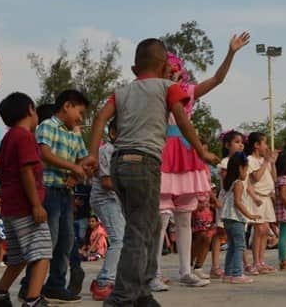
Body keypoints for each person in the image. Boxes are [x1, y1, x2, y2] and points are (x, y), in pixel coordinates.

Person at [89, 38, 218, 307]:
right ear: (164, 67)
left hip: (119, 163)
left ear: (135, 69)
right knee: (139, 231)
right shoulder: (167, 87)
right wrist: (202, 152)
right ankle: (122, 298)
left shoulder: (121, 91)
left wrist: (91, 154)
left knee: (145, 228)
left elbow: (100, 118)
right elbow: (182, 120)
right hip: (144, 163)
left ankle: (142, 294)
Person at [154, 33, 250, 289]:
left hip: (186, 153)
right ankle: (152, 272)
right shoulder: (155, 91)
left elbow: (217, 79)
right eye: (168, 69)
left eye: (176, 70)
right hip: (163, 151)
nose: (173, 73)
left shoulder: (188, 91)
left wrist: (230, 53)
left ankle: (186, 270)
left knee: (184, 215)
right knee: (161, 216)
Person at [19, 90, 94, 304]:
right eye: (80, 113)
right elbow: (44, 153)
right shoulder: (47, 126)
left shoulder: (74, 134)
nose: (81, 118)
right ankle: (29, 287)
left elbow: (83, 159)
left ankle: (55, 285)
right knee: (46, 242)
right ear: (67, 106)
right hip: (48, 191)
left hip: (65, 193)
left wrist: (79, 172)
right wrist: (73, 167)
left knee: (66, 241)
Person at [0, 92, 52, 307]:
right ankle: (33, 299)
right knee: (42, 252)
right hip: (26, 207)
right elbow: (26, 172)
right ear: (31, 109)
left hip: (10, 208)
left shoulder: (9, 137)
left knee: (19, 256)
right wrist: (36, 205)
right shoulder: (24, 137)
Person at [89, 118, 124, 301]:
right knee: (118, 240)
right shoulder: (106, 151)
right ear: (113, 133)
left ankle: (110, 278)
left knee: (122, 239)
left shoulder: (122, 152)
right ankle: (104, 282)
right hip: (105, 199)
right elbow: (107, 182)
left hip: (115, 200)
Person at [211, 130, 247, 278]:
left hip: (232, 203)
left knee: (232, 241)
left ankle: (230, 270)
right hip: (228, 202)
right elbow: (228, 183)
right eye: (237, 142)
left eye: (242, 143)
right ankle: (217, 267)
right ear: (227, 144)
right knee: (222, 235)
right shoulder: (226, 162)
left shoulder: (242, 161)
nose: (240, 145)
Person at [221, 152, 260, 284]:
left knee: (232, 246)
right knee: (239, 245)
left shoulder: (230, 183)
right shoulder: (238, 183)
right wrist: (250, 215)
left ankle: (228, 273)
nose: (247, 173)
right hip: (235, 219)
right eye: (246, 169)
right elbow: (238, 202)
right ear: (240, 168)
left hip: (227, 218)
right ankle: (237, 273)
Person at [245, 132, 277, 275]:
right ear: (256, 145)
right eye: (264, 143)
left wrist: (272, 163)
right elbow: (256, 177)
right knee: (259, 229)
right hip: (256, 197)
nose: (266, 147)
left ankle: (262, 261)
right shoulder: (250, 159)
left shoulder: (266, 161)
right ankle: (256, 261)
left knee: (265, 230)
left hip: (267, 197)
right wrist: (265, 162)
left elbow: (273, 178)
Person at [190, 141, 218, 280]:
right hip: (195, 204)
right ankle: (188, 264)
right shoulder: (190, 165)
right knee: (200, 235)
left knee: (208, 236)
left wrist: (215, 200)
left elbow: (208, 186)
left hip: (206, 206)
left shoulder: (207, 168)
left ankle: (199, 266)